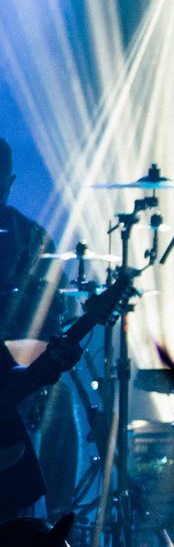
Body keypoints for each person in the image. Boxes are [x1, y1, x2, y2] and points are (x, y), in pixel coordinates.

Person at [0, 137, 78, 520]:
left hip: (16, 364)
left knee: (59, 403)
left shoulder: (31, 237)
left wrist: (32, 373)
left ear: (10, 181)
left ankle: (56, 525)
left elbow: (54, 312)